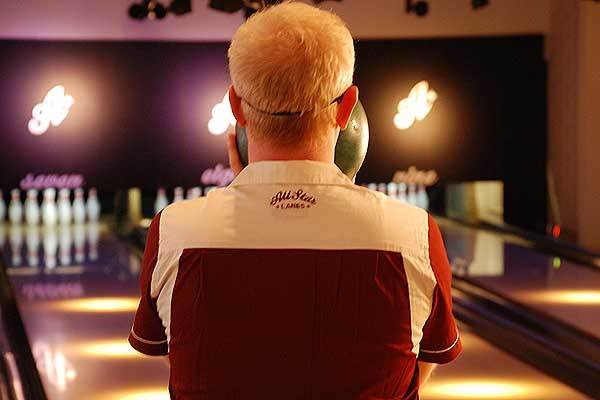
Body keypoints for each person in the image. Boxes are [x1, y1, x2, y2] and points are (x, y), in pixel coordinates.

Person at [129, 2, 461, 399]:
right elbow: (416, 365)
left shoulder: (174, 232)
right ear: (348, 108)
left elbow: (183, 357)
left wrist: (248, 191)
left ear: (236, 107)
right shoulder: (414, 235)